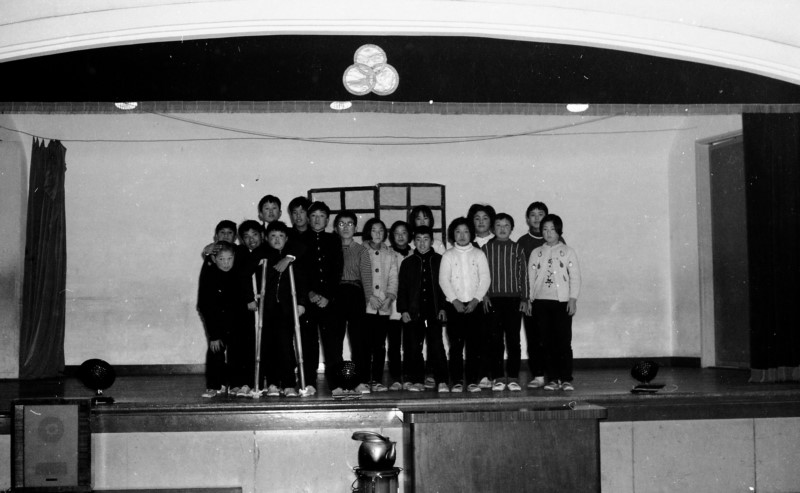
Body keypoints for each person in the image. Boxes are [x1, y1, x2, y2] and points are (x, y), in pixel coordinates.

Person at [293, 201, 342, 397]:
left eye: (321, 216)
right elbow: (299, 272)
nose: (317, 220)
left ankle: (336, 383)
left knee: (332, 344)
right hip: (309, 300)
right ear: (308, 218)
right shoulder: (300, 240)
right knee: (308, 344)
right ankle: (308, 382)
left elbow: (337, 270)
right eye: (313, 216)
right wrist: (310, 294)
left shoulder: (334, 240)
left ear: (327, 220)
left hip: (329, 301)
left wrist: (328, 296)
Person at [528, 214, 581, 392]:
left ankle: (565, 378)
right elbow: (530, 278)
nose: (548, 233)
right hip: (540, 302)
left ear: (559, 231)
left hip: (562, 302)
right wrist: (529, 299)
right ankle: (552, 378)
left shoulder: (568, 251)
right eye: (545, 229)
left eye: (552, 229)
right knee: (546, 341)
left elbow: (575, 277)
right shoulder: (536, 252)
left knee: (563, 341)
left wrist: (572, 299)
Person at [439, 217, 491, 393]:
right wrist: (454, 300)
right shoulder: (448, 255)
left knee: (474, 345)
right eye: (458, 232)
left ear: (471, 233)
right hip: (455, 306)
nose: (462, 235)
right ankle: (457, 381)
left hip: (474, 306)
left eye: (466, 231)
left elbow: (485, 278)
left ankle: (472, 381)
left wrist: (476, 299)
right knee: (456, 346)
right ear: (452, 234)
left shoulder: (478, 254)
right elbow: (443, 280)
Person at [259, 221, 308, 398]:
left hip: (286, 308)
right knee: (269, 345)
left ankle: (288, 383)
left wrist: (301, 303)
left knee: (285, 345)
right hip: (268, 308)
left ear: (287, 238)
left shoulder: (293, 255)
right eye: (272, 236)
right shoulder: (263, 254)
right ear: (266, 238)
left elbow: (301, 281)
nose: (277, 239)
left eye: (281, 236)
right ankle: (273, 382)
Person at [481, 213, 529, 392]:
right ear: (493, 229)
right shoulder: (486, 249)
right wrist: (484, 295)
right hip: (492, 300)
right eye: (498, 225)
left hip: (514, 300)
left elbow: (523, 274)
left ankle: (514, 377)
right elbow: (481, 274)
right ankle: (498, 377)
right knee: (495, 340)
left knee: (513, 339)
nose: (502, 229)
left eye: (506, 225)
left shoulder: (517, 249)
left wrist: (525, 298)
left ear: (512, 228)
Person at [398, 226, 449, 392]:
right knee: (414, 347)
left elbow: (445, 287)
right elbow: (402, 289)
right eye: (418, 239)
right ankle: (417, 380)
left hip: (434, 311)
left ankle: (442, 380)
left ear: (432, 241)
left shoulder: (440, 260)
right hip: (414, 312)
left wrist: (443, 308)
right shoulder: (408, 263)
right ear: (414, 242)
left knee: (437, 346)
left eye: (425, 239)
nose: (422, 243)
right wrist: (403, 310)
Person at [327, 211, 373, 395]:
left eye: (350, 224)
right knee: (334, 342)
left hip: (355, 293)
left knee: (358, 341)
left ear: (355, 227)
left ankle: (358, 381)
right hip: (334, 295)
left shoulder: (361, 250)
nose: (346, 227)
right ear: (335, 227)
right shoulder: (331, 248)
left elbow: (367, 278)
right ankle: (336, 384)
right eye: (341, 224)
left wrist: (368, 301)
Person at [196, 241, 249, 397]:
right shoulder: (209, 275)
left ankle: (235, 384)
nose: (226, 263)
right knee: (216, 351)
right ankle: (213, 385)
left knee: (236, 352)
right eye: (221, 259)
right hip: (216, 321)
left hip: (236, 320)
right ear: (214, 259)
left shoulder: (237, 272)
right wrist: (213, 334)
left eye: (229, 258)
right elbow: (205, 306)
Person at [361, 218, 399, 392]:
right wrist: (369, 296)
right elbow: (358, 276)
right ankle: (362, 380)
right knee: (364, 344)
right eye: (374, 230)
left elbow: (393, 278)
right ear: (368, 232)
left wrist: (390, 297)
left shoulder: (390, 253)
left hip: (383, 305)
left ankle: (376, 379)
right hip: (365, 305)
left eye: (381, 230)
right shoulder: (361, 250)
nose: (377, 233)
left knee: (379, 345)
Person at [516, 201, 548, 389]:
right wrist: (525, 298)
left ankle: (555, 376)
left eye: (540, 214)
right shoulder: (522, 242)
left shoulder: (557, 240)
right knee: (534, 338)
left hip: (552, 298)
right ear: (527, 219)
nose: (537, 218)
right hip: (531, 299)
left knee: (552, 338)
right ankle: (538, 375)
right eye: (533, 215)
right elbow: (520, 273)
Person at [387, 221, 413, 390]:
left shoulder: (414, 253)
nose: (401, 236)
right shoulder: (387, 253)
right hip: (392, 307)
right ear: (392, 236)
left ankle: (409, 377)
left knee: (410, 344)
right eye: (397, 233)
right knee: (394, 344)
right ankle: (396, 378)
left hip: (411, 307)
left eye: (404, 232)